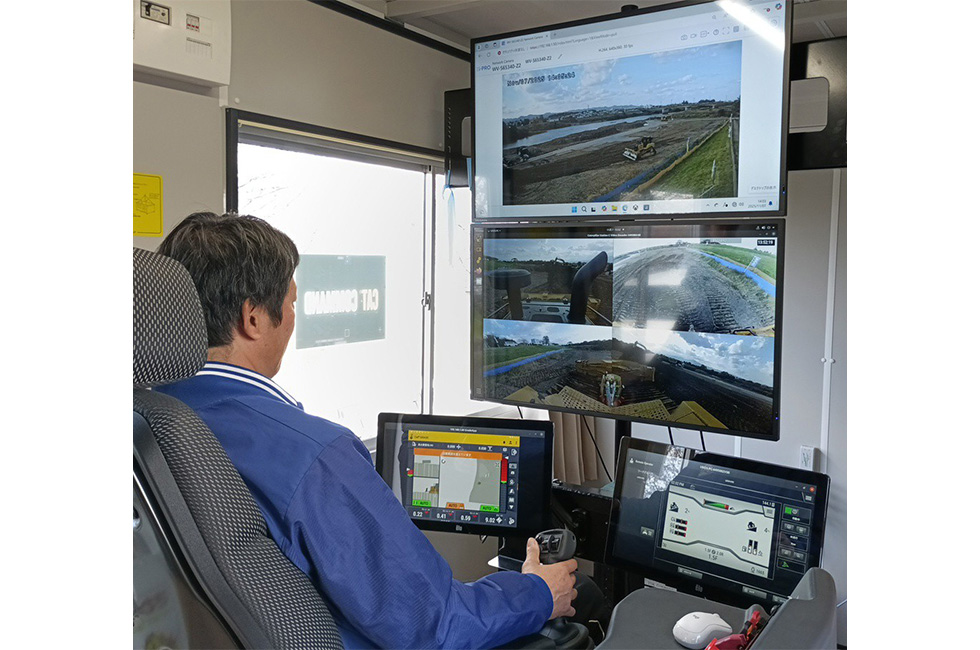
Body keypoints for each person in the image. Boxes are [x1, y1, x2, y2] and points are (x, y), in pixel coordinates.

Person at [155, 212, 577, 649]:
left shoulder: (145, 421)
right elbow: (434, 624)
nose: (293, 316)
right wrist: (539, 592)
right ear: (254, 318)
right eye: (291, 302)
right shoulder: (313, 456)